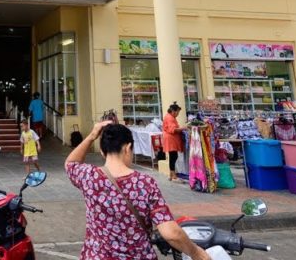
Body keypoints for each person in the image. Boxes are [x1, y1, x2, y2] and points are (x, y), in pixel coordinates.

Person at [65, 121, 211, 260]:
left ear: (103, 152)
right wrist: (196, 252)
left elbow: (70, 163)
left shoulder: (89, 177)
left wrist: (92, 136)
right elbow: (171, 233)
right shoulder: (144, 183)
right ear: (128, 148)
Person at [162, 102, 184, 183]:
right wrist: (184, 128)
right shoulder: (170, 118)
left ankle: (171, 174)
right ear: (173, 111)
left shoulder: (170, 117)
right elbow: (173, 130)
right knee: (173, 156)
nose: (178, 114)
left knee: (173, 156)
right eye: (178, 112)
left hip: (170, 139)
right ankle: (173, 175)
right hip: (170, 139)